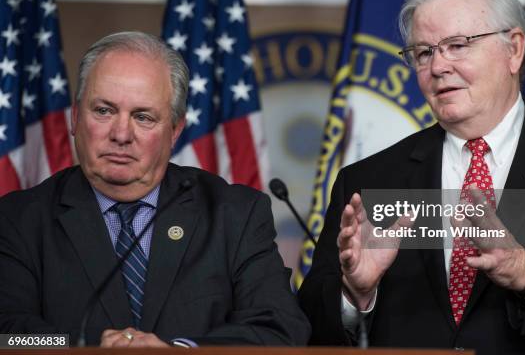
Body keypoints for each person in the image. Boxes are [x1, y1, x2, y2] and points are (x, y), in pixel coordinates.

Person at [298, 0, 525, 354]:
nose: (438, 67)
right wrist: (355, 293)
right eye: (424, 52)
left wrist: (524, 270)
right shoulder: (370, 180)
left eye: (458, 45)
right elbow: (308, 326)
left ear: (514, 49)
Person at [0, 31, 310, 347]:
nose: (121, 134)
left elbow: (279, 329)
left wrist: (180, 352)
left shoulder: (234, 214)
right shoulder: (18, 219)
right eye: (104, 111)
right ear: (76, 117)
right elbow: (7, 336)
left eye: (143, 117)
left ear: (175, 130)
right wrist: (86, 346)